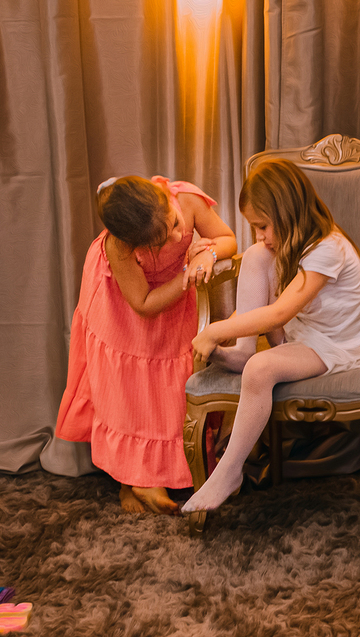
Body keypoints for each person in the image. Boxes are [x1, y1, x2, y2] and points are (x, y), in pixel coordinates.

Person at [183, 159, 360, 513]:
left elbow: (279, 313)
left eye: (262, 226)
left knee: (260, 370)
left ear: (287, 212)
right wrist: (237, 326)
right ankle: (244, 351)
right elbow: (276, 307)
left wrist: (216, 328)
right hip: (302, 330)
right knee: (257, 257)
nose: (259, 235)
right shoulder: (290, 243)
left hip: (330, 342)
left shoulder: (328, 248)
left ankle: (230, 472)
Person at [56, 175, 238, 514]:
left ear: (167, 199)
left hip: (172, 301)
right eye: (161, 240)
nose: (174, 235)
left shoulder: (188, 201)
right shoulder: (119, 246)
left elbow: (228, 238)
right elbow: (142, 303)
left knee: (169, 387)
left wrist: (209, 253)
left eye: (173, 225)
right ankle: (131, 482)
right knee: (130, 392)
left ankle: (150, 478)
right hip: (126, 306)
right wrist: (186, 274)